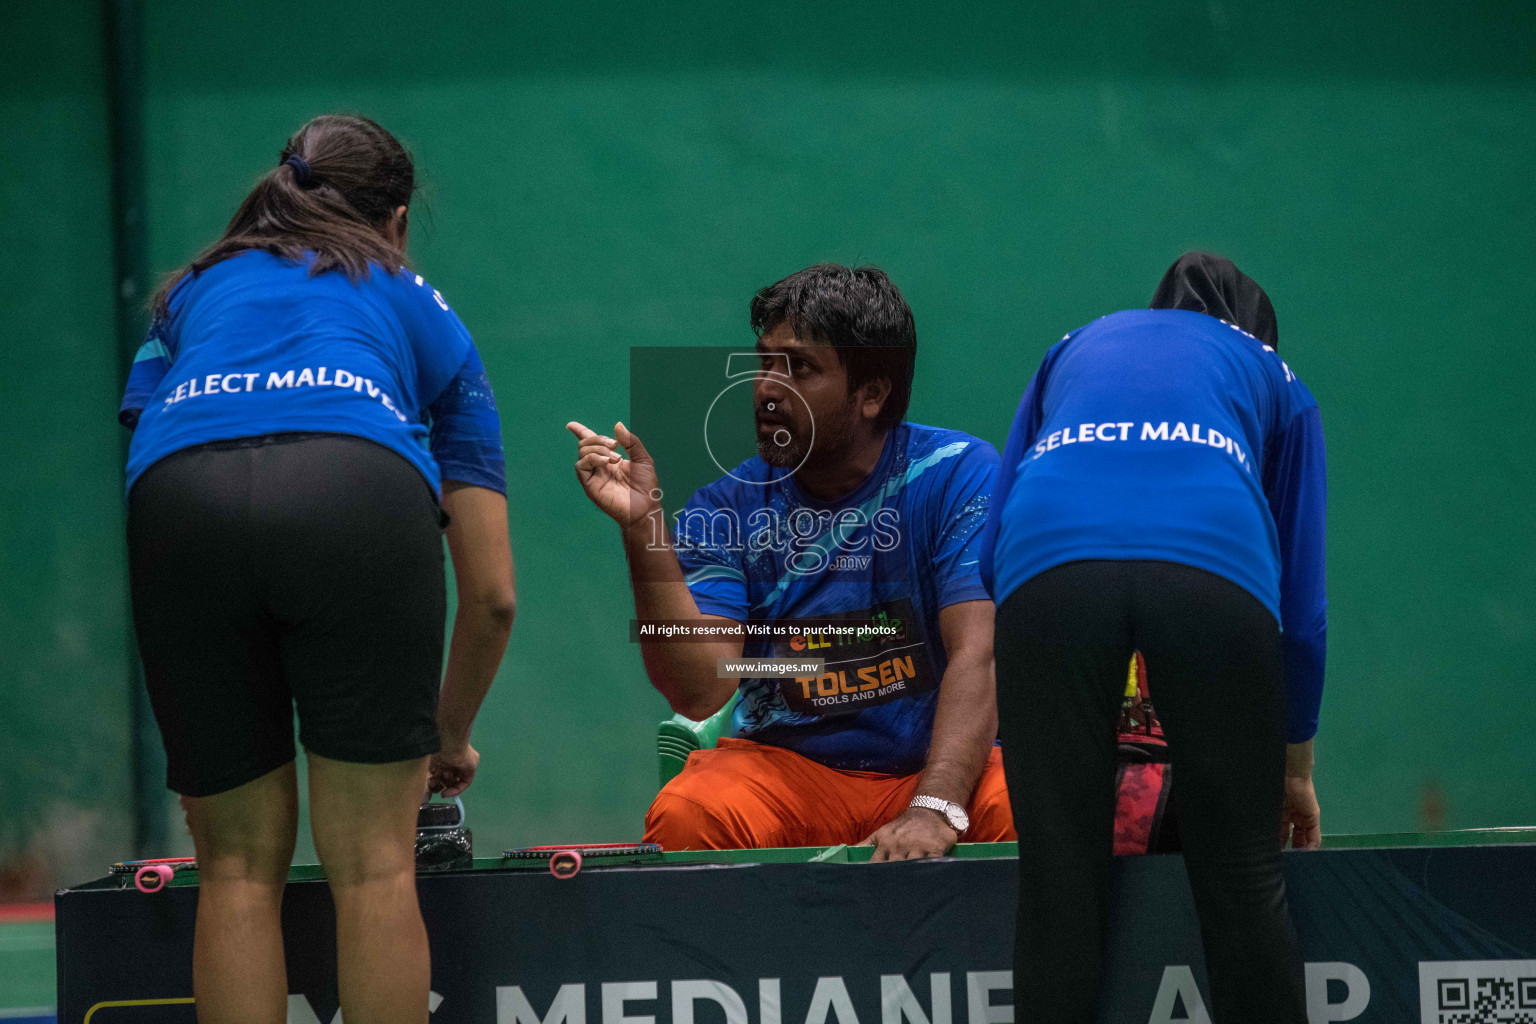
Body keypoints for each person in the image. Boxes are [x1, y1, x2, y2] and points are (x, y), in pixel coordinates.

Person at [120, 115, 514, 1024]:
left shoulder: (187, 294)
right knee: (375, 866)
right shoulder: (417, 300)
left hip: (180, 503)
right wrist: (444, 740)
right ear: (399, 220)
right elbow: (492, 596)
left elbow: (158, 440)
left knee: (233, 870)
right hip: (356, 489)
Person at [979, 252, 1325, 1023]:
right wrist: (1292, 765)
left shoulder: (1073, 345)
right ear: (1256, 339)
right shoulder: (1280, 381)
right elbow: (1301, 615)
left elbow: (988, 553)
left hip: (1047, 560)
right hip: (1214, 564)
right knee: (1242, 876)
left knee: (1059, 882)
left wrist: (1067, 649)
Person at [568, 264, 1013, 858]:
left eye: (799, 368)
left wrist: (934, 807)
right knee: (688, 814)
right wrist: (643, 528)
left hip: (937, 769)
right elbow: (700, 693)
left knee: (1026, 803)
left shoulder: (957, 474)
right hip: (790, 772)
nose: (766, 388)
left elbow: (976, 652)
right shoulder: (726, 506)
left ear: (872, 395)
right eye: (765, 362)